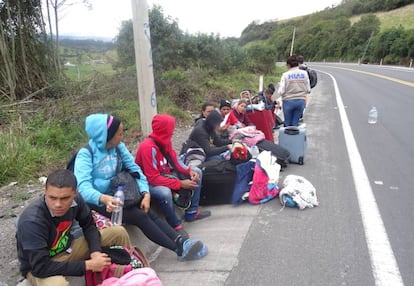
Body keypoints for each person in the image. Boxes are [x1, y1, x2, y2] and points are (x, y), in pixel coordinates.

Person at [74, 113, 208, 262]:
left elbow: (136, 171)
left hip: (121, 194)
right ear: (107, 135)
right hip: (100, 202)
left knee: (148, 211)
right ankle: (178, 249)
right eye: (119, 134)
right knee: (140, 216)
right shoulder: (86, 155)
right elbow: (82, 187)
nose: (122, 136)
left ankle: (180, 242)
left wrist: (145, 193)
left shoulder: (118, 147)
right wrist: (103, 198)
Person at [16, 169, 132, 286]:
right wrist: (88, 265)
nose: (58, 204)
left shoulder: (76, 201)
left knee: (118, 232)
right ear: (45, 192)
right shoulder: (32, 221)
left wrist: (95, 252)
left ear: (75, 193)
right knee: (58, 284)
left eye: (65, 198)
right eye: (52, 198)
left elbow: (89, 226)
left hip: (67, 249)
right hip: (38, 266)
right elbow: (40, 267)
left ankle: (131, 276)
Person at [135, 114, 211, 232]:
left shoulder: (165, 141)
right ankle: (174, 224)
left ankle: (192, 211)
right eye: (171, 128)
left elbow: (176, 161)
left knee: (197, 172)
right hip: (148, 182)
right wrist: (179, 183)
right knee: (164, 192)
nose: (173, 131)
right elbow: (152, 178)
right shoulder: (148, 148)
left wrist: (189, 171)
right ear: (164, 129)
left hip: (165, 174)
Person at [277, 54, 310, 127]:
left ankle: (287, 137)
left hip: (288, 102)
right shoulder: (304, 73)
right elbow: (308, 89)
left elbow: (281, 91)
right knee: (295, 124)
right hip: (300, 102)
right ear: (298, 64)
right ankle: (295, 137)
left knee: (287, 124)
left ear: (288, 65)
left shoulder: (285, 75)